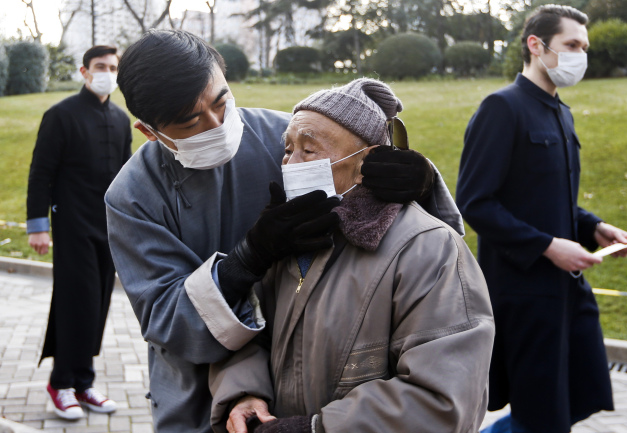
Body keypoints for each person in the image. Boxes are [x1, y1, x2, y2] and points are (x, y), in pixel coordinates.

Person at [105, 30, 462, 433]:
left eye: (221, 102)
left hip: (306, 380)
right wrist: (248, 259)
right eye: (191, 121)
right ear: (150, 131)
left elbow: (385, 212)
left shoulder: (287, 137)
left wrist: (419, 181)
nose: (217, 124)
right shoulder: (131, 196)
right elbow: (168, 319)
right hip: (194, 398)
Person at [208, 78, 495, 433]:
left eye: (309, 151)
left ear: (367, 162)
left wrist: (314, 429)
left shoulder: (428, 249)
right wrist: (244, 392)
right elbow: (250, 329)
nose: (291, 163)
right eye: (287, 149)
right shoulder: (288, 237)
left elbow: (443, 400)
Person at [456, 5, 627, 433]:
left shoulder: (561, 111)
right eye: (572, 45)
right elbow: (475, 202)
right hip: (523, 294)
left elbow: (550, 197)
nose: (581, 55)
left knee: (582, 393)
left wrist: (593, 227)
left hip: (568, 289)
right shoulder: (501, 108)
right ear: (536, 46)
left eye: (584, 47)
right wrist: (547, 246)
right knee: (543, 415)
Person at [26, 45, 132, 419]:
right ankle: (61, 382)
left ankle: (84, 383)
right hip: (71, 226)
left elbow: (125, 179)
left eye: (112, 67)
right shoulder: (60, 115)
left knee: (99, 301)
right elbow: (41, 173)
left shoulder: (121, 120)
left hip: (107, 227)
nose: (106, 72)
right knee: (78, 302)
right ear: (84, 71)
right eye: (99, 66)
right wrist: (38, 227)